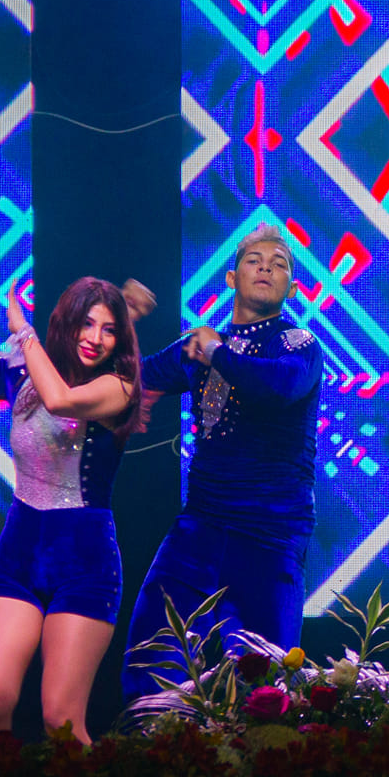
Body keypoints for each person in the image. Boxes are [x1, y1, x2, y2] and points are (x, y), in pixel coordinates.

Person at [0, 222, 150, 742]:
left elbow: (61, 400)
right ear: (65, 323)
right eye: (86, 324)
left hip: (85, 560)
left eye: (108, 330)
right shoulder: (18, 372)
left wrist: (23, 331)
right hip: (19, 549)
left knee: (60, 722)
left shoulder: (119, 387)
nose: (95, 338)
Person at [123, 226, 323, 694]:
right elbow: (131, 379)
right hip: (201, 526)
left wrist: (215, 350)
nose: (266, 266)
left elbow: (277, 387)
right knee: (151, 657)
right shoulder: (200, 345)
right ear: (232, 278)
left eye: (279, 263)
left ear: (292, 289)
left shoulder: (298, 344)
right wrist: (121, 318)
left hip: (270, 533)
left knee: (265, 685)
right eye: (255, 260)